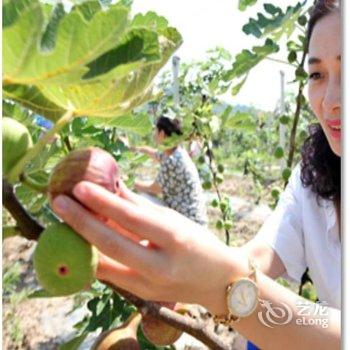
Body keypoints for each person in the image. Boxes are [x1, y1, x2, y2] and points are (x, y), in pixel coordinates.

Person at [51, 1, 341, 348]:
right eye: (317, 75)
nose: (330, 101)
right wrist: (189, 274)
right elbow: (260, 257)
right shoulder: (312, 177)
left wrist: (221, 286)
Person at [132, 116, 208, 226]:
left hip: (188, 221)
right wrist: (135, 149)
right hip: (194, 215)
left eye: (155, 131)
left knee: (142, 199)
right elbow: (155, 154)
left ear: (162, 134)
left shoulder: (172, 161)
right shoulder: (177, 152)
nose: (154, 135)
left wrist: (129, 182)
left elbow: (153, 189)